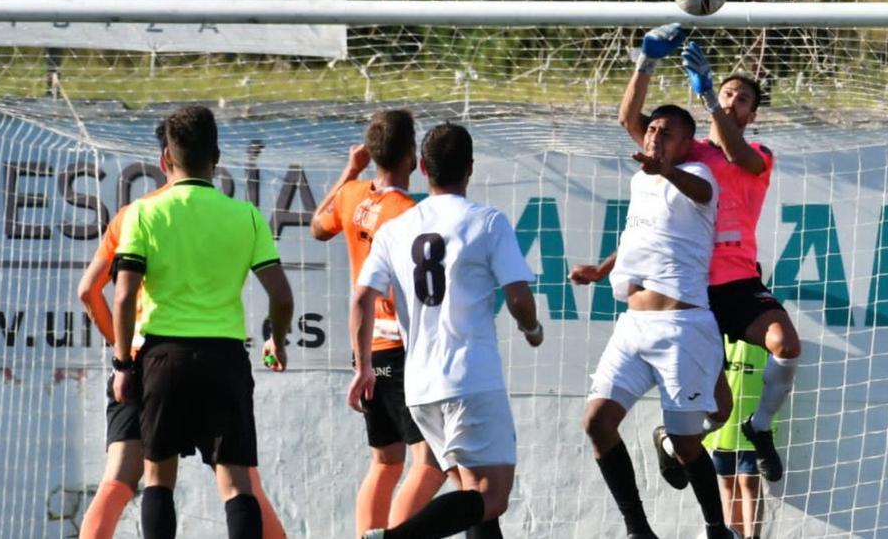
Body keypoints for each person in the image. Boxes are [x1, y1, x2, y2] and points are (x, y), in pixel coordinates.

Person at [77, 121, 285, 539]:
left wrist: (121, 359)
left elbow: (111, 294)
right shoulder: (245, 215)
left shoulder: (140, 213)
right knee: (239, 483)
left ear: (165, 159)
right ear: (217, 159)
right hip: (224, 357)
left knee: (150, 479)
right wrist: (277, 341)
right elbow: (282, 295)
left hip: (156, 359)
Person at [617, 23, 799, 483]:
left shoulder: (758, 152)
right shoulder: (689, 149)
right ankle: (669, 439)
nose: (732, 100)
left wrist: (711, 102)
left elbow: (740, 159)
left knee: (787, 345)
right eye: (727, 92)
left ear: (752, 114)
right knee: (717, 412)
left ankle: (760, 427)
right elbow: (630, 121)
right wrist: (647, 61)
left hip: (737, 281)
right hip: (692, 289)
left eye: (742, 99)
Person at [355, 122, 543, 539]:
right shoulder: (488, 221)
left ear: (423, 167)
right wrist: (532, 328)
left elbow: (361, 298)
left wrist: (363, 365)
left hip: (420, 387)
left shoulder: (396, 228)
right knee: (493, 497)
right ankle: (392, 537)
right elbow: (518, 297)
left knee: (470, 494)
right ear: (471, 168)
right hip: (470, 379)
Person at [573, 104, 735, 539]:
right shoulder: (640, 179)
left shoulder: (699, 176)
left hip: (681, 328)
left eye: (666, 133)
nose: (654, 137)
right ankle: (637, 530)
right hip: (633, 328)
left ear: (686, 144)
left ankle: (717, 528)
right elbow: (635, 235)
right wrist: (602, 270)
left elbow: (697, 193)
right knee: (596, 422)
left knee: (686, 444)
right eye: (652, 130)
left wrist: (664, 169)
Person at [311, 109, 446, 537]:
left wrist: (350, 171)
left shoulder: (352, 195)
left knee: (386, 461)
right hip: (403, 349)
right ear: (411, 156)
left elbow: (318, 225)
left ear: (371, 155)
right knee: (432, 463)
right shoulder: (410, 212)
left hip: (367, 348)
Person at [700, 338, 773, 539]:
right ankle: (733, 533)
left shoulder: (764, 338)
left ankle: (752, 535)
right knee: (727, 483)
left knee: (749, 482)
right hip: (722, 428)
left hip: (752, 425)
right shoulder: (717, 337)